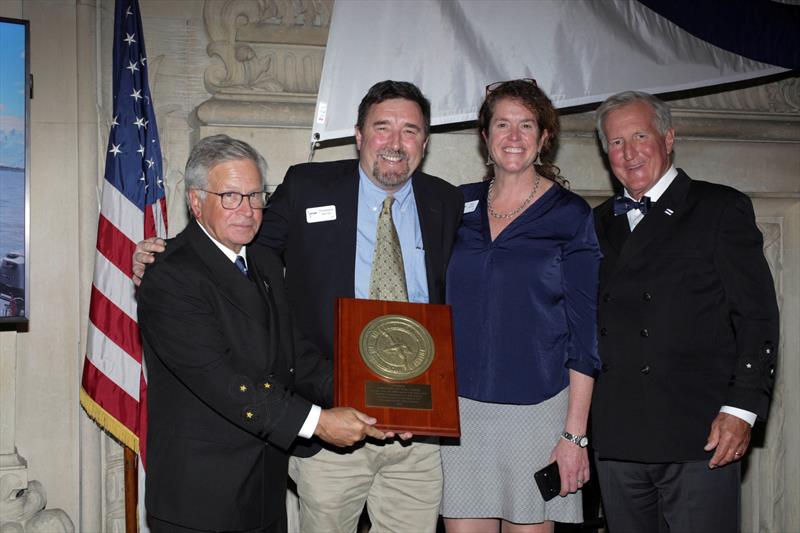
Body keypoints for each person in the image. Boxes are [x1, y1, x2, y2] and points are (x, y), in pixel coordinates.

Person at [134, 81, 464, 533]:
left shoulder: (446, 201)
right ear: (359, 135)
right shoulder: (308, 187)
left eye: (410, 130)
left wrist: (400, 407)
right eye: (382, 127)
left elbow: (244, 252)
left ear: (424, 143)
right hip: (314, 436)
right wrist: (162, 252)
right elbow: (219, 255)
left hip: (413, 426)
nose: (394, 142)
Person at [137, 135, 386, 532]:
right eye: (231, 196)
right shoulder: (171, 275)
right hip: (201, 499)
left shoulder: (265, 261)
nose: (248, 210)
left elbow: (295, 356)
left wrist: (373, 394)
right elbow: (222, 381)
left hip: (264, 487)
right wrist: (319, 422)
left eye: (255, 196)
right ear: (196, 202)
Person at [591, 91, 780, 532]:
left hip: (700, 432)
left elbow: (756, 317)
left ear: (669, 137)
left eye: (640, 136)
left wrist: (742, 409)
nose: (629, 152)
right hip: (617, 436)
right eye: (616, 143)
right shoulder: (598, 221)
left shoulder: (718, 207)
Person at [440, 79, 602, 533]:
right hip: (460, 411)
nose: (514, 136)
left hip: (541, 409)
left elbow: (584, 332)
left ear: (544, 137)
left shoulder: (571, 215)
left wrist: (574, 434)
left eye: (526, 125)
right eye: (503, 124)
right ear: (485, 136)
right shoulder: (456, 206)